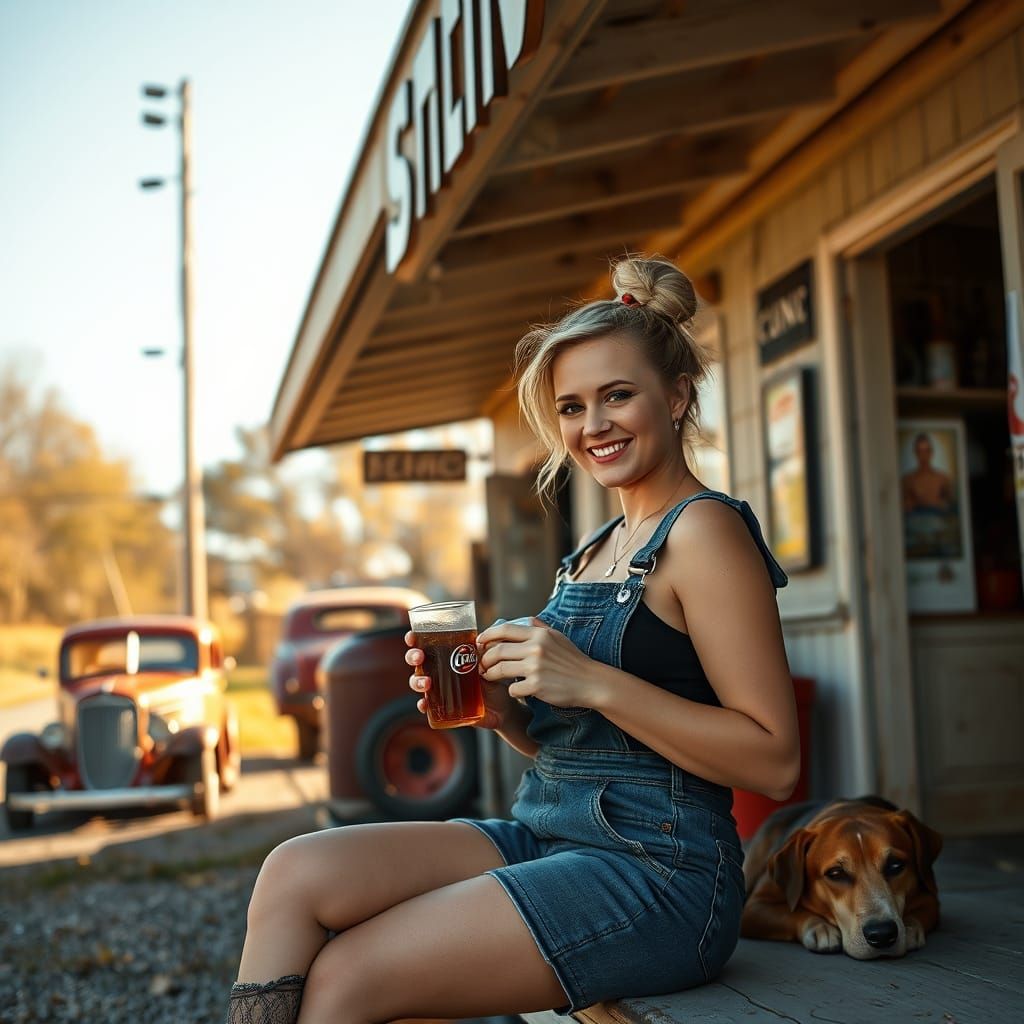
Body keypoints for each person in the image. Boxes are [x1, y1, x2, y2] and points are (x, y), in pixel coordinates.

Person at [223, 254, 800, 1023]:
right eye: (572, 407)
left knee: (346, 978)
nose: (593, 425)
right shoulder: (591, 550)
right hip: (547, 831)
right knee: (293, 872)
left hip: (660, 872)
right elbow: (587, 743)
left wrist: (592, 680)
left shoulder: (705, 532)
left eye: (618, 395)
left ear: (677, 395)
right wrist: (503, 714)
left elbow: (775, 760)